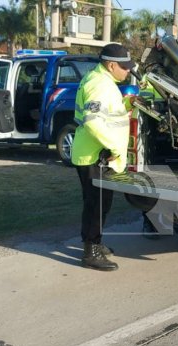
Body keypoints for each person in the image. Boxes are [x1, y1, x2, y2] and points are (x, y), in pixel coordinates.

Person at [72, 43, 135, 271]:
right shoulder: (100, 85)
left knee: (99, 203)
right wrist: (115, 148)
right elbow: (93, 122)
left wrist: (128, 103)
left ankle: (95, 243)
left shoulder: (102, 80)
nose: (128, 71)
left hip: (94, 154)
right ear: (111, 65)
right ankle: (92, 252)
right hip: (95, 155)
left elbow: (106, 111)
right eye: (125, 67)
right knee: (96, 205)